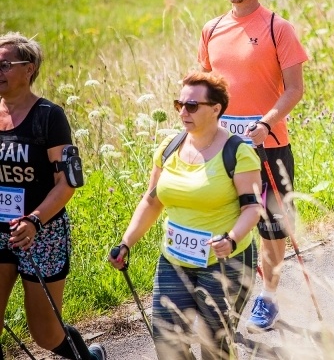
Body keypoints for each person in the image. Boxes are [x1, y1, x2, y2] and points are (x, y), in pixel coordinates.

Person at [108, 71, 262, 359]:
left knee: (215, 346)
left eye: (192, 106)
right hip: (174, 260)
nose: (183, 112)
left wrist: (231, 238)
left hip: (226, 263)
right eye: (179, 104)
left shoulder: (238, 152)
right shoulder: (169, 148)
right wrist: (127, 242)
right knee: (167, 341)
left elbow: (253, 208)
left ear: (216, 109)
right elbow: (152, 202)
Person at [198, 0, 308, 332]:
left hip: (269, 143)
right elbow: (206, 88)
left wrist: (266, 121)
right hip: (223, 146)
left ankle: (268, 298)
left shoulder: (279, 27)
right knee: (225, 221)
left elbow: (294, 89)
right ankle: (227, 299)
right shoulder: (211, 29)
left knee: (272, 228)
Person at [0, 33, 106, 359]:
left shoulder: (49, 116)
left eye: (5, 64)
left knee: (45, 333)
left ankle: (86, 357)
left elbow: (68, 182)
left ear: (29, 68)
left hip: (41, 232)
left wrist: (34, 220)